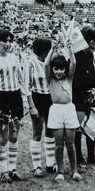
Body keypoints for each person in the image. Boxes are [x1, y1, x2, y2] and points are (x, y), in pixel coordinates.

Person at [0, 29, 27, 182]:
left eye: (10, 41)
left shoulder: (14, 58)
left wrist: (24, 97)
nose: (8, 44)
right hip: (1, 97)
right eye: (5, 41)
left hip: (15, 96)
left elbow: (21, 79)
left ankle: (13, 169)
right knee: (2, 138)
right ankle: (3, 171)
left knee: (14, 135)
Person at [45, 40, 81, 182]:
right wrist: (52, 49)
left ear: (65, 70)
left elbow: (74, 64)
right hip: (56, 111)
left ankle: (74, 171)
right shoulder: (50, 80)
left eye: (61, 69)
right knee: (59, 144)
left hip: (69, 110)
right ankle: (60, 171)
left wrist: (70, 50)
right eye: (56, 69)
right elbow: (47, 64)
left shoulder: (69, 78)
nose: (58, 72)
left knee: (70, 144)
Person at [72, 28, 95, 167]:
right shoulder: (77, 56)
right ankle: (79, 158)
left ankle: (91, 156)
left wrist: (93, 90)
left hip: (89, 96)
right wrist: (85, 94)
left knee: (93, 126)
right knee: (78, 129)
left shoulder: (89, 55)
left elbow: (91, 75)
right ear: (91, 42)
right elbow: (75, 80)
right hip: (79, 98)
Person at [25, 38, 56, 178]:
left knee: (51, 131)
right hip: (37, 97)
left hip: (51, 98)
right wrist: (31, 106)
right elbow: (27, 86)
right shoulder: (30, 62)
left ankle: (50, 164)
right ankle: (37, 166)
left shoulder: (51, 61)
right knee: (37, 131)